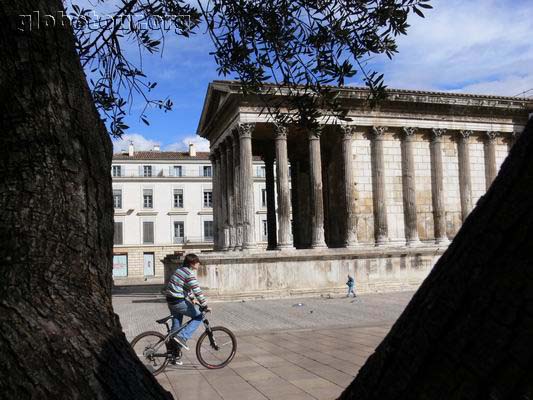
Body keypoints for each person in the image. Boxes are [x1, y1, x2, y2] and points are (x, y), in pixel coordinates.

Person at [166, 253, 209, 351]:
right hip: (178, 301)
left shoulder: (180, 270)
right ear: (192, 263)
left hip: (170, 300)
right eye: (197, 262)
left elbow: (184, 287)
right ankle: (183, 337)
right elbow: (197, 290)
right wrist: (205, 305)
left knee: (176, 327)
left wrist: (192, 298)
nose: (199, 263)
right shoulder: (189, 274)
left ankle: (172, 353)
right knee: (199, 316)